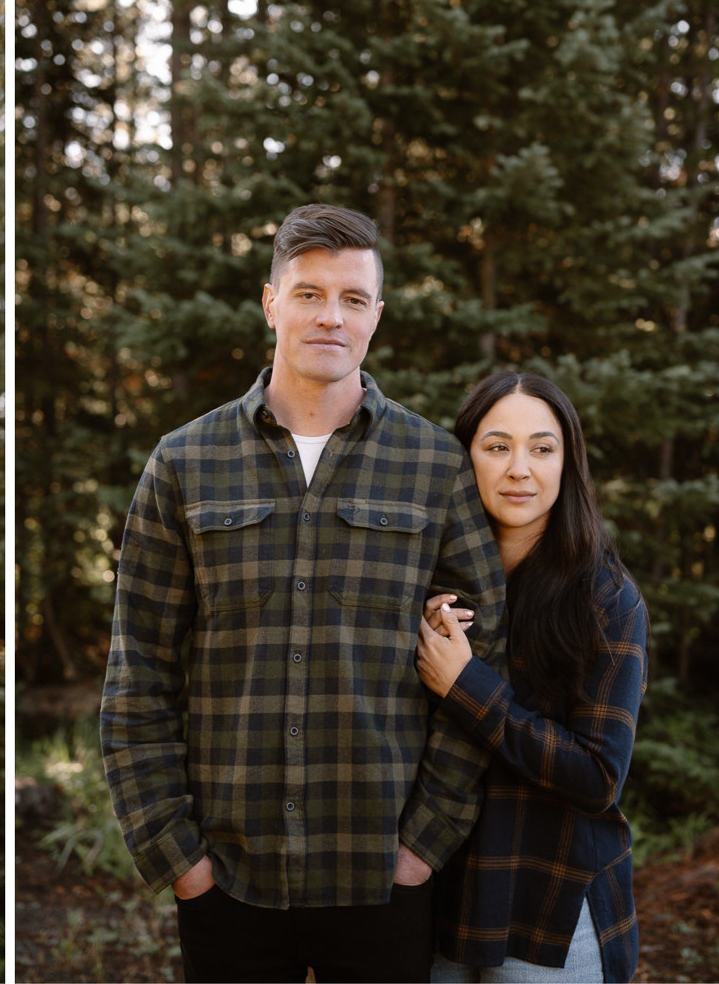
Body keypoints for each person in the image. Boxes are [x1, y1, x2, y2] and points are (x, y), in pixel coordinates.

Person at [101, 203, 509, 983]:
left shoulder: (435, 467)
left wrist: (423, 847)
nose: (331, 316)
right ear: (270, 303)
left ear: (377, 316)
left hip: (382, 881)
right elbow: (137, 679)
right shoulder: (184, 464)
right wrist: (178, 857)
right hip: (227, 883)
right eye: (309, 294)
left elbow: (485, 664)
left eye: (353, 299)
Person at [416, 372, 647, 983]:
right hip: (434, 899)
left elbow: (598, 776)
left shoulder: (606, 597)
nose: (520, 468)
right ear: (465, 459)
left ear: (567, 464)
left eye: (542, 448)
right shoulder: (429, 586)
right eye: (497, 446)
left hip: (553, 906)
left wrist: (466, 687)